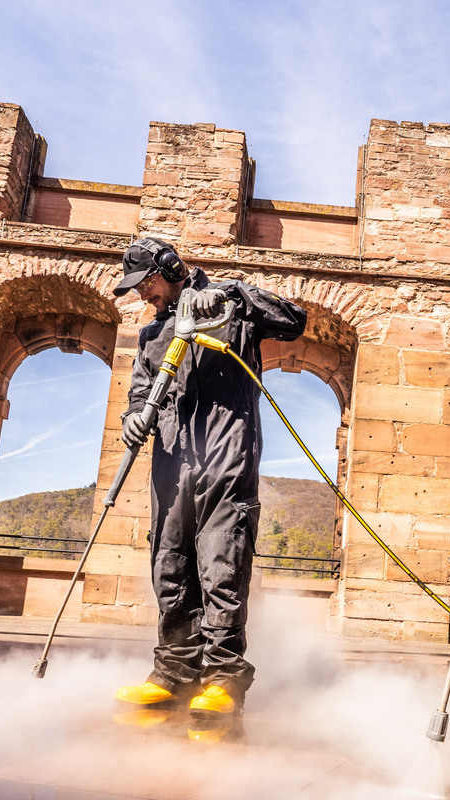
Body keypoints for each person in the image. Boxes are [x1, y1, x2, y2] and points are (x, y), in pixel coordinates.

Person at [109, 237, 307, 736]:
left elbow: (293, 320)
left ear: (169, 268)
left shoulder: (229, 306)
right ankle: (174, 672)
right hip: (172, 464)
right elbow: (139, 390)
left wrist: (235, 296)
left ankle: (221, 680)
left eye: (145, 284)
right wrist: (135, 417)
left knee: (221, 563)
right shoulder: (154, 335)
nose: (141, 295)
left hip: (226, 456)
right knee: (170, 564)